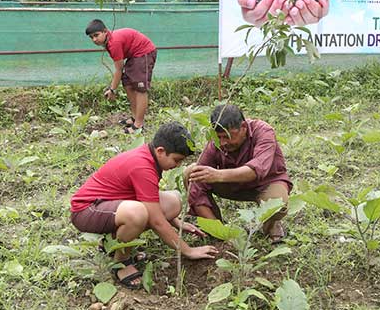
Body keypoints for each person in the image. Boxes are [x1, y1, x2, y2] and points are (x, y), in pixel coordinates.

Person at [70, 122, 218, 289]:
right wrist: (188, 250)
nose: (177, 166)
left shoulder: (150, 157)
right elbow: (156, 221)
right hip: (87, 210)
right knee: (138, 214)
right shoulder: (142, 166)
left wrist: (177, 223)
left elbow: (152, 204)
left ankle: (110, 243)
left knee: (173, 202)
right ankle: (121, 262)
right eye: (176, 160)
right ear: (160, 151)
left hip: (110, 205)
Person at [185, 104, 291, 244]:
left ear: (243, 127)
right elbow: (197, 186)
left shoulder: (263, 131)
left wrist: (218, 175)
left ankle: (270, 225)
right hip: (233, 186)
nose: (223, 142)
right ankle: (216, 227)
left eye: (228, 137)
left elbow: (256, 169)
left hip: (264, 184)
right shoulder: (216, 141)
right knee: (191, 173)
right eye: (219, 137)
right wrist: (221, 234)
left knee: (278, 202)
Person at [85, 19, 157, 133]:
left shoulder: (114, 43)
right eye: (91, 37)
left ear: (105, 31)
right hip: (134, 56)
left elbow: (119, 69)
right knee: (128, 84)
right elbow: (120, 68)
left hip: (144, 53)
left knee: (140, 89)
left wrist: (112, 89)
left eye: (96, 35)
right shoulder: (108, 41)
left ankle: (139, 125)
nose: (94, 39)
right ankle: (134, 118)